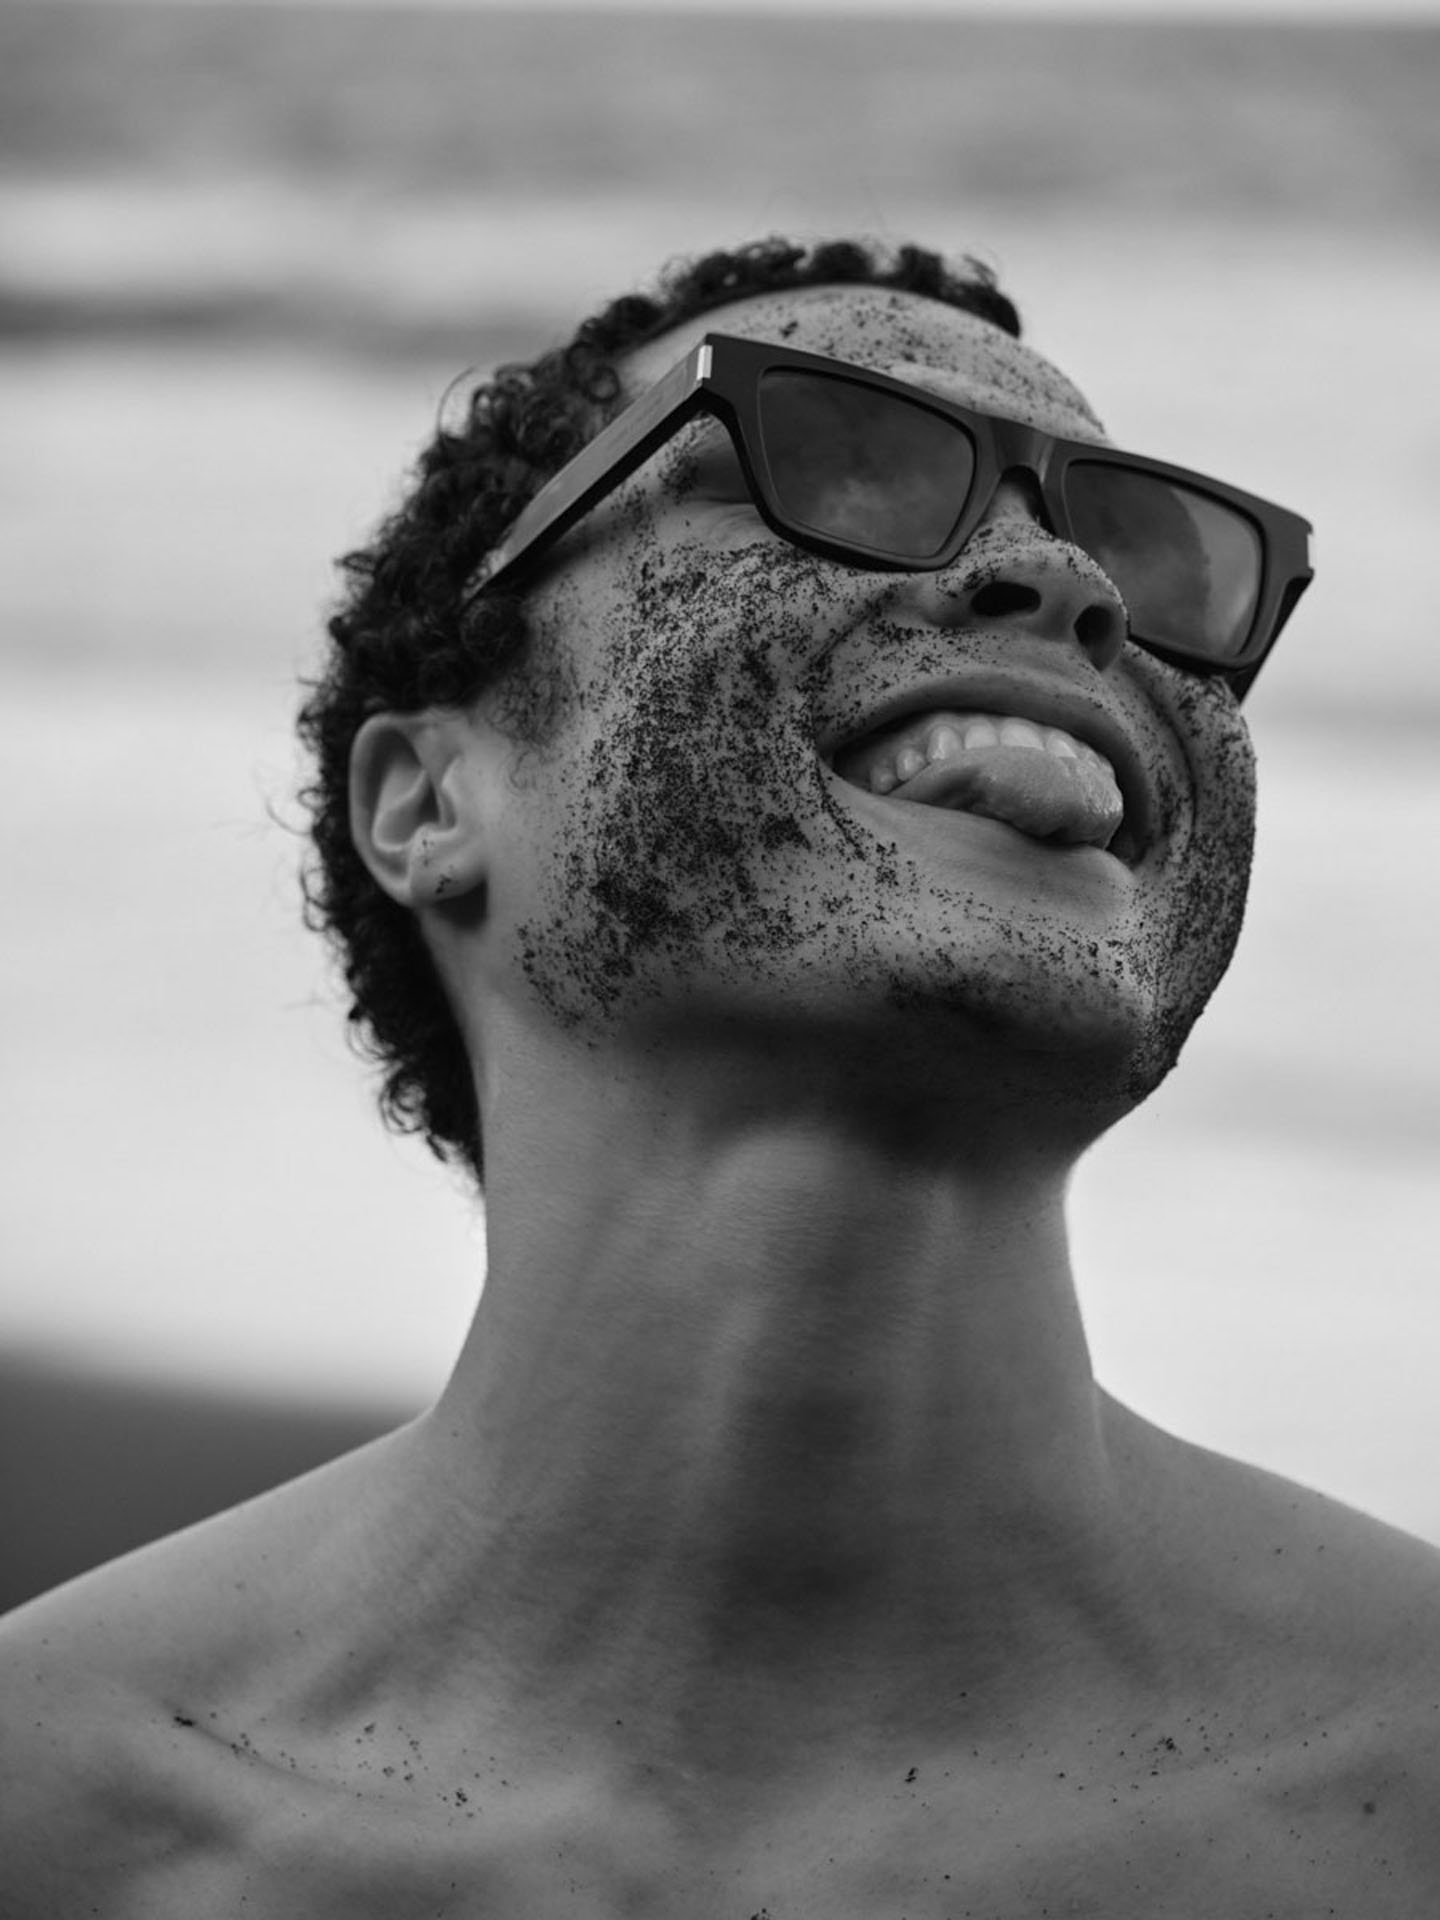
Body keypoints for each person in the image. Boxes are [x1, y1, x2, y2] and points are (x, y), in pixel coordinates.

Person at [2, 235, 1437, 1915]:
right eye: (841, 461)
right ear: (430, 802)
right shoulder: (58, 1814)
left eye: (1144, 547)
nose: (1073, 583)